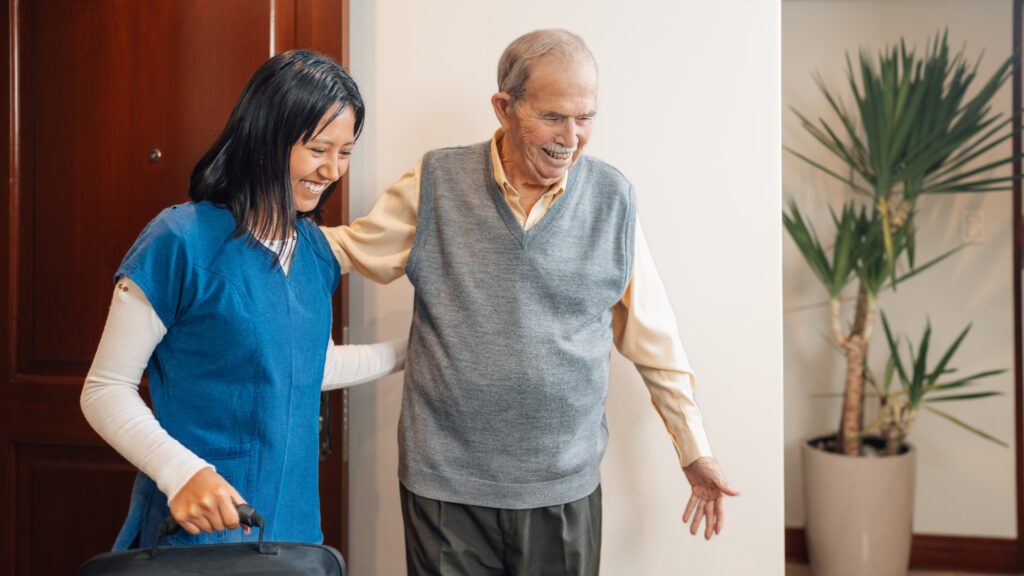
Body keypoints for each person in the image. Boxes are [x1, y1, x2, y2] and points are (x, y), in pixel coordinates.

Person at [320, 29, 738, 576]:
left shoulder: (613, 200)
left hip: (562, 488)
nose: (572, 137)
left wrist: (694, 449)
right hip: (446, 486)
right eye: (553, 116)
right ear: (505, 108)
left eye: (585, 117)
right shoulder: (438, 182)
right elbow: (345, 250)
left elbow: (655, 340)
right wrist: (249, 233)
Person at [81, 50, 404, 550]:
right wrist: (182, 473)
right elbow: (104, 389)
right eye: (319, 149)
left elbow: (300, 368)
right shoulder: (179, 241)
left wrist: (409, 353)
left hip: (292, 531)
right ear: (266, 139)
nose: (332, 170)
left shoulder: (316, 252)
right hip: (197, 533)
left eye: (346, 152)